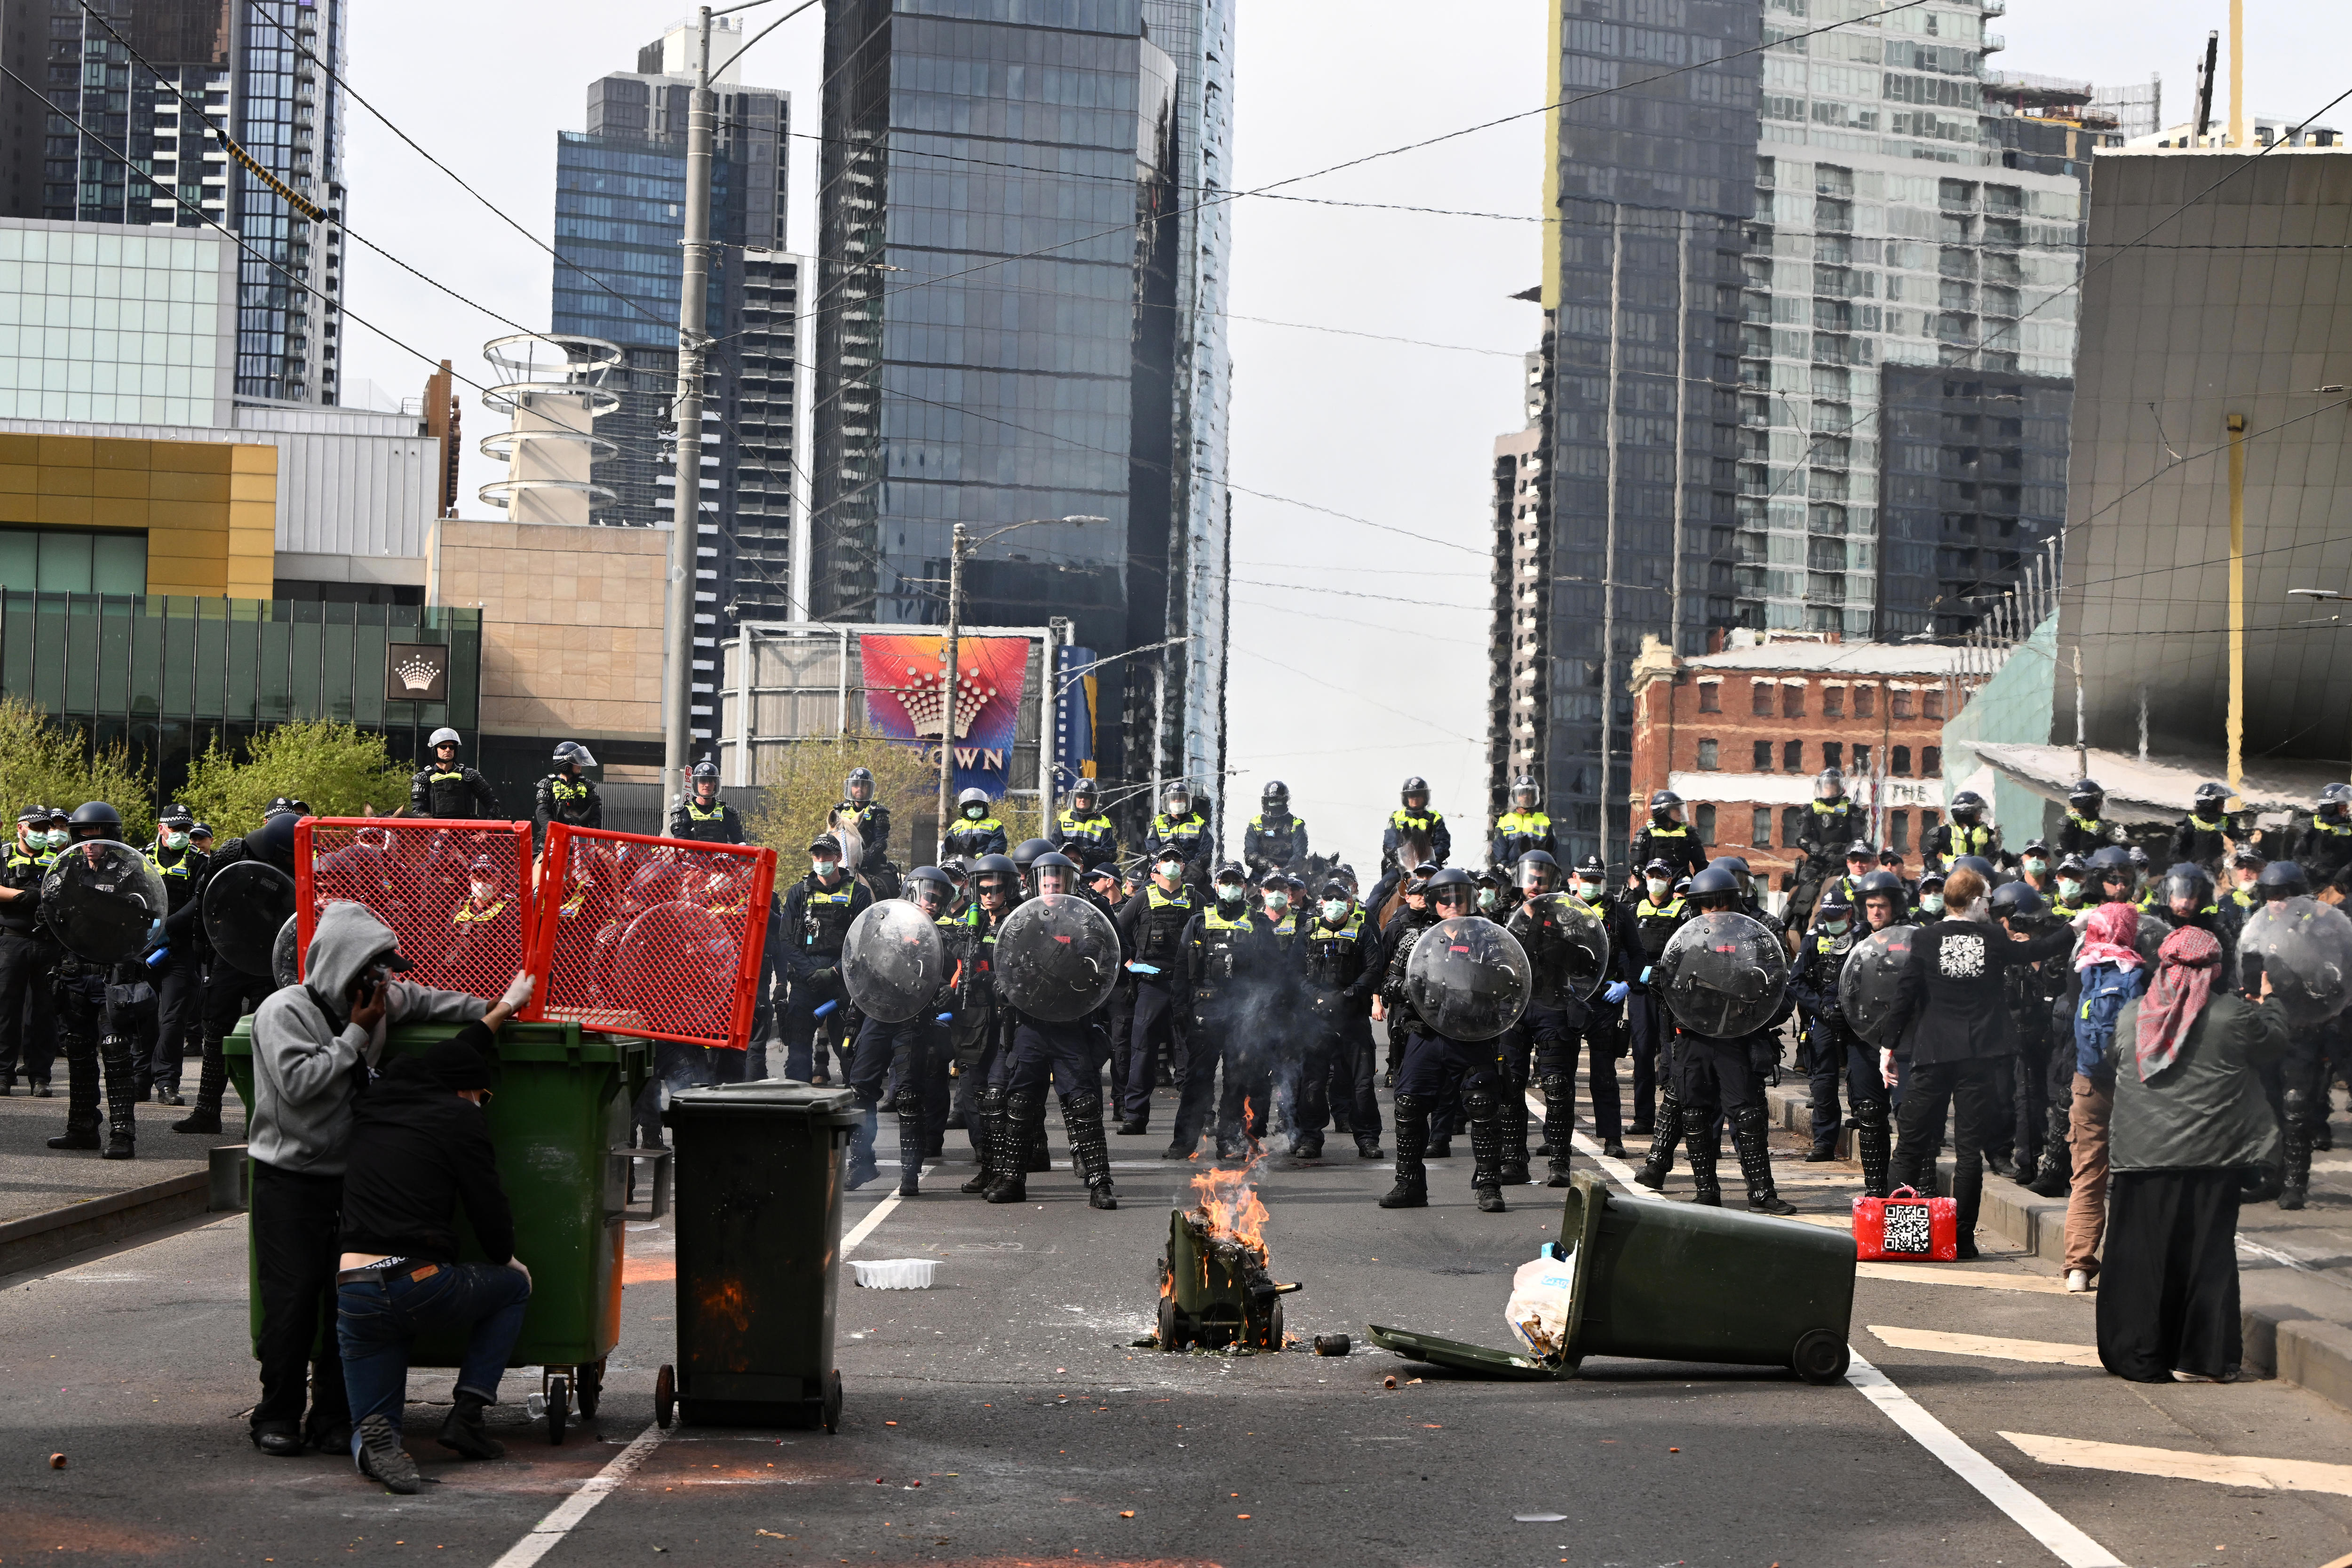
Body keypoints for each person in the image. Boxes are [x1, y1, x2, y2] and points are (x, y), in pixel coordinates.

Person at [247, 900, 511, 1459]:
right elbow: (300, 1084)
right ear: (345, 965)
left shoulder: (377, 1004)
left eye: (385, 970)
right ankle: (277, 1415)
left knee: (346, 1305)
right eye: (373, 969)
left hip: (348, 1179)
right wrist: (355, 1036)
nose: (382, 981)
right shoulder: (285, 1011)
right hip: (290, 1178)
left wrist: (497, 1007)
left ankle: (334, 1418)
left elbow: (432, 1001)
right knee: (291, 1300)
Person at [334, 971, 537, 1493]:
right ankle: (468, 1414)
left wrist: (503, 1007)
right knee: (512, 1288)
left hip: (356, 1288)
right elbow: (486, 1205)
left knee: (372, 1419)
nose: (480, 1103)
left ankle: (377, 1443)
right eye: (480, 1095)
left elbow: (451, 1056)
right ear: (464, 1091)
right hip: (417, 1280)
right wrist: (507, 1257)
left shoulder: (374, 1098)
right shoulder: (459, 1119)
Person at [2098, 924, 2285, 1382]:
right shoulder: (2234, 1016)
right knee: (2205, 1257)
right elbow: (2275, 1043)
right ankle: (2199, 1359)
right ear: (2216, 970)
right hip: (2212, 1158)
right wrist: (2271, 1000)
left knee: (2142, 1261)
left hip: (2139, 1158)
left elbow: (2111, 1060)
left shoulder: (2130, 1016)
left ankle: (2139, 1355)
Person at [1883, 866, 2076, 1258]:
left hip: (1934, 1052)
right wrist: (2075, 929)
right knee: (1969, 1151)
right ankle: (1963, 1240)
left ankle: (1902, 1238)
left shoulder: (1925, 938)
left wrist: (1888, 1046)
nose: (1990, 907)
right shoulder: (1992, 937)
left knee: (1911, 1144)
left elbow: (1905, 995)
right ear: (1973, 902)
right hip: (1981, 1054)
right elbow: (2034, 950)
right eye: (1987, 900)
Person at [984, 853, 1118, 1209]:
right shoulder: (1022, 921)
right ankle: (1013, 1178)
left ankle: (1100, 1182)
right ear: (1036, 883)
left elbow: (1098, 962)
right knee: (1019, 1100)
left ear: (1069, 883)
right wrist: (1007, 986)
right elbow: (1005, 965)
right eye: (1047, 880)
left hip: (1070, 1025)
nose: (1053, 885)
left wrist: (1083, 968)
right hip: (1031, 1023)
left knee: (1085, 1102)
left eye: (1059, 880)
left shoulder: (1085, 919)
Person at [1377, 867, 1510, 1213]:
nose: (1452, 904)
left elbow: (1511, 984)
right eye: (1445, 898)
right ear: (1434, 902)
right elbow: (1389, 985)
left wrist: (1478, 987)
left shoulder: (1491, 938)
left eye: (1459, 897)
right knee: (1408, 1106)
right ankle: (1409, 1184)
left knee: (1483, 1105)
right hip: (1427, 1033)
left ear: (1470, 900)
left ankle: (1489, 1185)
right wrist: (1414, 989)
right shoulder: (1414, 939)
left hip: (1473, 1035)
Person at [45, 803, 144, 1159]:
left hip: (110, 973)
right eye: (82, 837)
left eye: (95, 837)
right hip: (75, 972)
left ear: (111, 837)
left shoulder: (130, 870)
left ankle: (122, 1134)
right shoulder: (67, 867)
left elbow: (144, 917)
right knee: (79, 1052)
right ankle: (82, 1127)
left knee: (117, 1052)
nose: (88, 844)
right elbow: (51, 914)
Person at [1509, 854, 1603, 1184]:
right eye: (1530, 878)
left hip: (1553, 1005)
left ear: (1553, 881)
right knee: (1509, 1085)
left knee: (1557, 1085)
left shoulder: (1569, 918)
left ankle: (1559, 1162)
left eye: (1542, 878)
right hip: (1514, 1010)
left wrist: (1560, 945)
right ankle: (1513, 1161)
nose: (1535, 884)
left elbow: (1587, 963)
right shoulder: (1505, 917)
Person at [1174, 864, 1261, 1162]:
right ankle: (1184, 1142)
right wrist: (1180, 1008)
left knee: (1237, 1081)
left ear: (1245, 885)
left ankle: (1229, 1141)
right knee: (1197, 1079)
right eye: (1225, 881)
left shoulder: (1256, 923)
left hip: (1243, 1014)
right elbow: (1181, 970)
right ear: (1217, 884)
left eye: (1237, 881)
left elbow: (1272, 972)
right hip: (1205, 1010)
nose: (1231, 886)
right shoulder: (1199, 921)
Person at [1295, 876, 1383, 1161]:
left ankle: (1367, 1138)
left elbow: (1373, 970)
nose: (1334, 904)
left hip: (1352, 1017)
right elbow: (1294, 972)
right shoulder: (1308, 931)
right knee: (1313, 1082)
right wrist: (1316, 997)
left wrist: (1347, 995)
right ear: (1320, 903)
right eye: (1328, 899)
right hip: (1316, 1018)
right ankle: (1310, 1138)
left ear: (1349, 902)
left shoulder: (1363, 931)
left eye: (1340, 899)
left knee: (1362, 1083)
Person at [779, 835, 871, 1085]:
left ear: (839, 858)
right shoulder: (799, 892)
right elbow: (786, 940)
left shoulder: (859, 893)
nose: (821, 860)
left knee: (849, 1051)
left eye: (826, 855)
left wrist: (834, 971)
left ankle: (856, 1109)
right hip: (805, 982)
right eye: (816, 855)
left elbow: (863, 943)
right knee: (798, 1052)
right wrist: (810, 973)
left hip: (843, 984)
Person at [1114, 847, 1193, 1136]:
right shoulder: (1143, 898)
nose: (1172, 865)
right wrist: (1130, 964)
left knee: (1189, 1051)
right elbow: (1115, 931)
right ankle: (1135, 1115)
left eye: (1177, 860)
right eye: (1166, 860)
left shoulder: (1195, 898)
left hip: (1185, 986)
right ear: (1156, 867)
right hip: (1152, 985)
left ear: (1184, 866)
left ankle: (1196, 1115)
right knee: (1143, 1051)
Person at [1623, 858, 1690, 1178]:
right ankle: (1644, 1117)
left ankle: (1678, 1119)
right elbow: (1624, 947)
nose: (1655, 881)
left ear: (1670, 878)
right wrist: (1630, 975)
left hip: (1668, 989)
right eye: (1651, 876)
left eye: (1661, 875)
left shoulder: (1681, 910)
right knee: (1642, 1053)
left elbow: (1686, 948)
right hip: (1640, 989)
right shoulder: (1633, 908)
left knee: (1672, 1055)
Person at [137, 803, 207, 1106]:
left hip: (179, 949)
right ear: (161, 828)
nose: (181, 834)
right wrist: (151, 928)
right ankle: (139, 1081)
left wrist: (168, 926)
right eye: (175, 828)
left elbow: (199, 900)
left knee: (172, 1020)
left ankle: (167, 1082)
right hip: (143, 949)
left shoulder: (199, 860)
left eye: (186, 830)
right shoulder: (141, 857)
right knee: (140, 1015)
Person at [0, 805, 56, 1098]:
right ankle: (3, 1074)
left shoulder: (58, 857)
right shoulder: (5, 855)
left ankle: (40, 1077)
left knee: (44, 1013)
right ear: (20, 827)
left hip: (48, 942)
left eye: (45, 828)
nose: (41, 833)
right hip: (13, 941)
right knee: (6, 1011)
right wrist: (25, 896)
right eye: (35, 827)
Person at [1789, 769, 1864, 930]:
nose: (1830, 789)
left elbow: (1858, 837)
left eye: (1833, 785)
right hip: (1818, 861)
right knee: (1803, 888)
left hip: (1844, 861)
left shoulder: (1852, 811)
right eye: (1827, 785)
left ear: (1840, 787)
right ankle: (1787, 924)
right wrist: (1824, 854)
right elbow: (1803, 838)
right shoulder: (1811, 810)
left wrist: (1846, 855)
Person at [829, 767, 898, 898]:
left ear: (870, 788)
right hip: (841, 861)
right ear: (850, 788)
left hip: (872, 864)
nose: (859, 789)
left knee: (892, 886)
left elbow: (881, 842)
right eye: (856, 785)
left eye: (864, 786)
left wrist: (864, 857)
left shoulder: (878, 811)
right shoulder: (839, 810)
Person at [410, 729, 500, 820]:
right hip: (436, 832)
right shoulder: (423, 779)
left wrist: (484, 832)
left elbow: (493, 804)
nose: (448, 750)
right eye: (443, 747)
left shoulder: (470, 775)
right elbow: (417, 812)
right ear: (435, 750)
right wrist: (437, 829)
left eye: (451, 747)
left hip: (466, 832)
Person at [1144, 783, 1216, 892]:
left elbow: (1205, 852)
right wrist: (1167, 866)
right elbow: (1152, 851)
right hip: (1164, 869)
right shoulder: (1158, 822)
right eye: (1174, 800)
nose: (1177, 802)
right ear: (1168, 802)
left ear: (1187, 801)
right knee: (1142, 891)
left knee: (1210, 898)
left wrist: (1191, 869)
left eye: (1181, 799)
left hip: (1191, 872)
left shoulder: (1198, 822)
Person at [1629, 790, 1708, 889]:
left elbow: (1702, 866)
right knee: (1635, 899)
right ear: (1663, 812)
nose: (1680, 812)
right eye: (1676, 809)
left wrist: (1703, 885)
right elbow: (1636, 865)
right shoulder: (1646, 833)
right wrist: (1652, 879)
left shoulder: (1689, 833)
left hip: (1682, 887)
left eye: (1680, 808)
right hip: (1653, 887)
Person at [531, 741, 602, 847]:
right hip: (551, 837)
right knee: (529, 860)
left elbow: (596, 818)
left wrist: (592, 841)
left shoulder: (588, 787)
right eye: (576, 761)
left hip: (582, 840)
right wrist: (555, 833)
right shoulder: (547, 785)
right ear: (565, 764)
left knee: (605, 862)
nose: (580, 765)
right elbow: (542, 813)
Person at [1240, 781, 1310, 880]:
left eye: (1278, 801)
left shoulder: (1296, 823)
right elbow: (1249, 855)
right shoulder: (1256, 823)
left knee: (1301, 892)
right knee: (1250, 894)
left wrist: (1283, 871)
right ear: (1265, 802)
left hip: (1289, 875)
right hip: (1261, 875)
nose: (1274, 805)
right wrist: (1270, 866)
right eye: (1271, 801)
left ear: (1285, 801)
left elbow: (1299, 855)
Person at [2291, 783, 2352, 890]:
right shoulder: (2311, 827)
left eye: (2347, 807)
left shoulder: (2349, 829)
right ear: (2330, 808)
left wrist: (2345, 873)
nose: (2347, 811)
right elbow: (2298, 857)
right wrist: (2313, 869)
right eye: (2343, 808)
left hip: (2342, 887)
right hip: (2315, 886)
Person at [668, 760, 745, 844]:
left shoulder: (726, 812)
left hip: (721, 856)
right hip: (692, 856)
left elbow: (739, 842)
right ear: (696, 783)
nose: (707, 785)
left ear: (716, 784)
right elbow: (680, 846)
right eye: (703, 780)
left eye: (711, 781)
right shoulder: (684, 813)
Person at [1924, 791, 2001, 873]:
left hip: (1977, 877)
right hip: (1951, 878)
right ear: (1968, 814)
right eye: (1978, 811)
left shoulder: (1984, 833)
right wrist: (1939, 870)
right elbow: (1929, 854)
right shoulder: (1945, 832)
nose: (1980, 814)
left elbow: (1992, 854)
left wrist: (1985, 863)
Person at [1490, 775, 1555, 870]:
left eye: (1529, 793)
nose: (1526, 796)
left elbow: (1552, 852)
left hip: (1537, 872)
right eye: (1522, 794)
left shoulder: (1544, 821)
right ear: (1515, 796)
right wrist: (1508, 868)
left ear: (1534, 796)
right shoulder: (1504, 822)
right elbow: (1500, 854)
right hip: (1511, 874)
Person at [1049, 780, 1117, 870]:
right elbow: (1053, 847)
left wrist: (1088, 851)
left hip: (1091, 874)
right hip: (1066, 869)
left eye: (1087, 797)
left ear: (1093, 800)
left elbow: (1110, 855)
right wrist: (1069, 850)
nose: (1083, 800)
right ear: (1075, 798)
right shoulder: (1064, 818)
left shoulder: (1104, 822)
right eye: (1080, 796)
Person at [2168, 781, 2233, 875]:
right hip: (2190, 878)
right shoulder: (2185, 830)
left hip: (2211, 879)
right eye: (2221, 804)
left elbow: (2221, 856)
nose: (2223, 807)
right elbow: (2175, 859)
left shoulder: (2220, 830)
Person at [2058, 778, 2124, 860]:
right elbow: (2067, 849)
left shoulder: (2098, 823)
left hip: (2100, 865)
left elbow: (2106, 844)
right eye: (2099, 800)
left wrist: (2124, 847)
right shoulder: (2070, 822)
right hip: (2080, 867)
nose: (2101, 804)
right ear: (2090, 803)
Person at [941, 787, 1007, 862]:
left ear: (985, 806)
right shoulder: (955, 827)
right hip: (960, 866)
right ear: (965, 809)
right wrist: (947, 855)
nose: (975, 808)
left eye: (978, 805)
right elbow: (947, 846)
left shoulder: (995, 825)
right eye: (970, 806)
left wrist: (984, 855)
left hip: (986, 865)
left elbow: (998, 846)